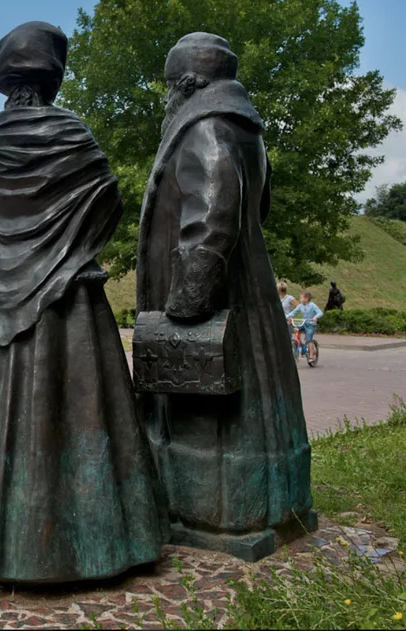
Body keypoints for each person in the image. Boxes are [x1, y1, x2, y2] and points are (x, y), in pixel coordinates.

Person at [0, 21, 168, 583]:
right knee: (77, 415)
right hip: (67, 311)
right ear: (53, 77)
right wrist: (66, 250)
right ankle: (90, 547)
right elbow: (107, 201)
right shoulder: (73, 136)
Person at [136, 32, 313, 553]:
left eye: (171, 86)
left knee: (213, 421)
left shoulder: (206, 129)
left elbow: (212, 221)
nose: (168, 97)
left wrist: (186, 305)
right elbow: (258, 210)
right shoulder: (247, 133)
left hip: (213, 303)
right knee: (256, 409)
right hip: (250, 296)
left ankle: (218, 518)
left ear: (188, 83)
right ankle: (278, 508)